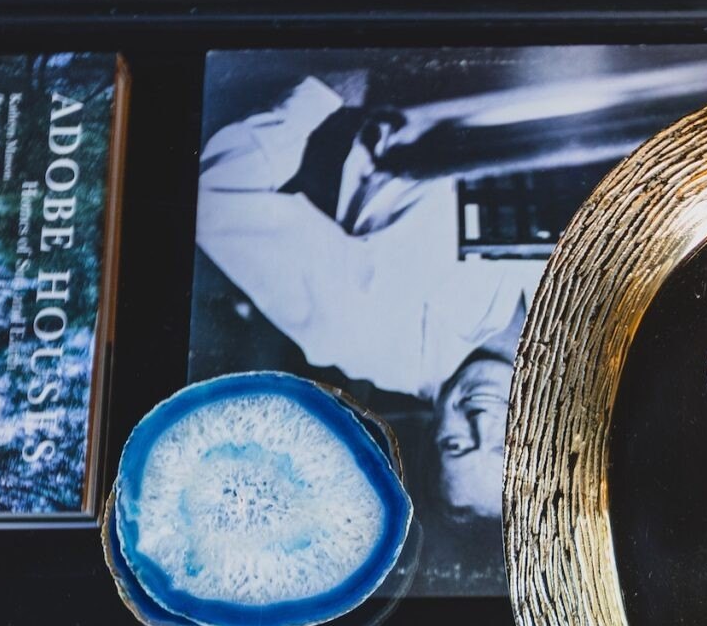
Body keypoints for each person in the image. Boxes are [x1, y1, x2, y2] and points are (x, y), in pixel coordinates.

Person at [195, 73, 540, 525]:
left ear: (434, 428)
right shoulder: (570, 325)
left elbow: (217, 201)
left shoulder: (364, 335)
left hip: (431, 71)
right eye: (504, 446)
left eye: (456, 445)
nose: (481, 422)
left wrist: (325, 92)